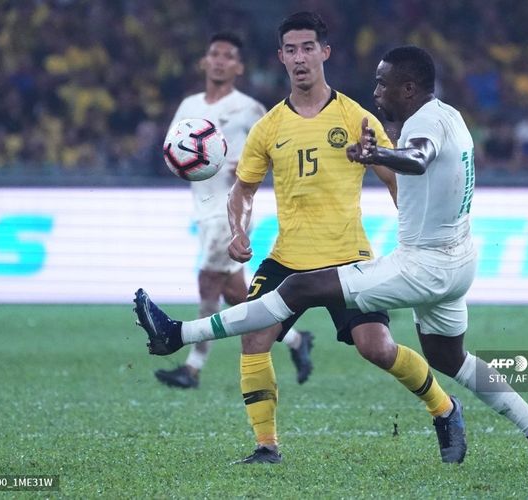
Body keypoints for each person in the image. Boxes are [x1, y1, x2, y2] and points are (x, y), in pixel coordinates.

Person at [137, 14, 467, 465]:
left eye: (308, 48)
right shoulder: (269, 126)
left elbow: (397, 182)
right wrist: (238, 231)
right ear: (281, 58)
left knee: (378, 348)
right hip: (287, 259)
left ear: (324, 53)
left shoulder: (356, 116)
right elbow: (243, 189)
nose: (299, 58)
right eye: (290, 50)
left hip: (348, 257)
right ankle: (266, 446)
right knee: (252, 338)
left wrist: (414, 240)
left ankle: (445, 409)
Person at [153, 32, 314, 389]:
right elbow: (172, 151)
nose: (220, 60)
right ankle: (296, 339)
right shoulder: (189, 106)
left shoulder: (249, 109)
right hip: (202, 205)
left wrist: (244, 163)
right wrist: (190, 164)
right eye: (215, 54)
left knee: (207, 280)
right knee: (235, 294)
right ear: (204, 61)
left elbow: (275, 151)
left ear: (238, 67)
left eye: (228, 56)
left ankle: (192, 367)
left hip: (232, 209)